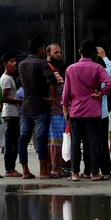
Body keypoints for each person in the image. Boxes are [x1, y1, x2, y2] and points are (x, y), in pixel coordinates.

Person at [62, 39, 111, 182]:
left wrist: (65, 108)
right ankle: (95, 173)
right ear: (93, 54)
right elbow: (110, 82)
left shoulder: (70, 69)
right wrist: (102, 92)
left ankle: (75, 173)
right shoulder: (97, 68)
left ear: (80, 51)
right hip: (93, 112)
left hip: (76, 112)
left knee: (75, 143)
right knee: (93, 142)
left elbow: (66, 92)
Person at [17, 36, 56, 179]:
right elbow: (52, 80)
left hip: (26, 106)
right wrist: (53, 97)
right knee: (41, 138)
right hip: (41, 105)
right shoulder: (41, 63)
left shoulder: (21, 65)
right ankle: (43, 171)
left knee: (23, 138)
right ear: (40, 49)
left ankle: (25, 171)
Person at [46, 44, 71, 177]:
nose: (59, 55)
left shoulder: (56, 69)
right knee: (55, 140)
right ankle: (55, 167)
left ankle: (61, 166)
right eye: (56, 53)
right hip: (54, 111)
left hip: (61, 110)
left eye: (60, 52)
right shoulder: (48, 69)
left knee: (62, 139)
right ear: (48, 54)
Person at [0, 52, 21, 176]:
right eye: (11, 61)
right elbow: (4, 98)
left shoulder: (9, 77)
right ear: (5, 64)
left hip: (11, 113)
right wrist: (20, 101)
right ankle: (9, 169)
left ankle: (11, 167)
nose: (14, 63)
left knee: (13, 141)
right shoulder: (6, 78)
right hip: (10, 113)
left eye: (15, 61)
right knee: (11, 142)